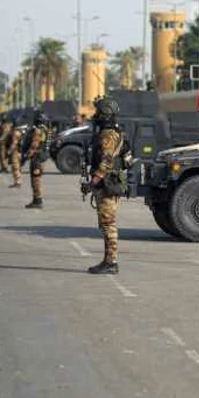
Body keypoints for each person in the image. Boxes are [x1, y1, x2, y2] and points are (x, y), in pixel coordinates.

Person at [81, 97, 129, 275]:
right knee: (105, 223)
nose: (96, 115)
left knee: (108, 223)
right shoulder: (112, 132)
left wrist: (92, 182)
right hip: (108, 182)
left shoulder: (107, 135)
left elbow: (106, 162)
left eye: (98, 111)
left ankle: (111, 262)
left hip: (107, 183)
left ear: (105, 113)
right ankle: (108, 260)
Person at [24, 109, 50, 208]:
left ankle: (38, 200)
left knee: (35, 180)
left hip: (37, 158)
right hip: (41, 157)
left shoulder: (39, 130)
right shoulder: (47, 129)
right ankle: (36, 199)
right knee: (36, 179)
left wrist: (27, 155)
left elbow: (34, 145)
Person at [8, 118, 24, 188]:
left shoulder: (15, 132)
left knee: (15, 167)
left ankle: (17, 182)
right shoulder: (21, 131)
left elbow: (14, 143)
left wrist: (9, 151)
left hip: (16, 151)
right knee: (18, 167)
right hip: (21, 152)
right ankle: (18, 181)